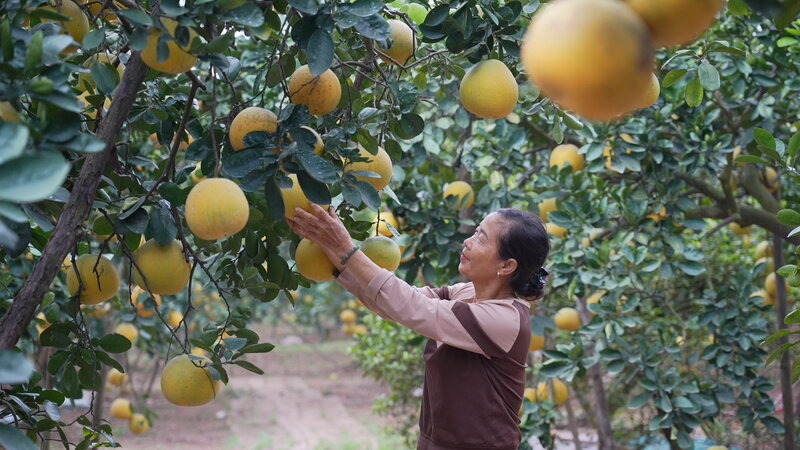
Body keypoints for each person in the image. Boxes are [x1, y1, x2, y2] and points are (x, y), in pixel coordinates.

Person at [287, 205, 550, 450]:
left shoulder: (505, 319)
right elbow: (391, 303)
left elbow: (411, 306)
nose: (468, 241)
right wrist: (329, 246)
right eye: (475, 232)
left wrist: (345, 246)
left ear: (507, 265)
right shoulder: (464, 293)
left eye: (481, 238)